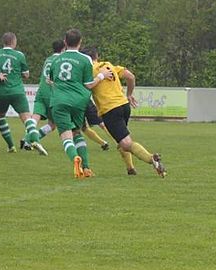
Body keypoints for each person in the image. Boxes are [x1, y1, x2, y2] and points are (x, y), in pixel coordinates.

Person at [84, 46, 166, 177]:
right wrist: (129, 94)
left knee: (126, 143)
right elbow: (130, 76)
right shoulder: (109, 65)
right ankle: (130, 169)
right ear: (97, 56)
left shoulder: (89, 71)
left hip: (110, 109)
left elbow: (86, 86)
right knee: (121, 139)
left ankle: (151, 159)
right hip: (124, 105)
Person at [49, 29, 112, 179]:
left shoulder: (55, 60)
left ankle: (75, 158)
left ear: (65, 42)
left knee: (66, 136)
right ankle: (87, 168)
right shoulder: (85, 59)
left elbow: (50, 80)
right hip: (78, 101)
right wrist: (102, 75)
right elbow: (89, 84)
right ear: (80, 42)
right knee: (77, 132)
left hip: (60, 100)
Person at [0, 32, 43, 154]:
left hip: (1, 92)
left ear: (3, 42)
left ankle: (11, 146)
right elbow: (26, 75)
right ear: (14, 42)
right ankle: (36, 141)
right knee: (27, 118)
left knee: (0, 117)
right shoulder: (19, 55)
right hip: (17, 92)